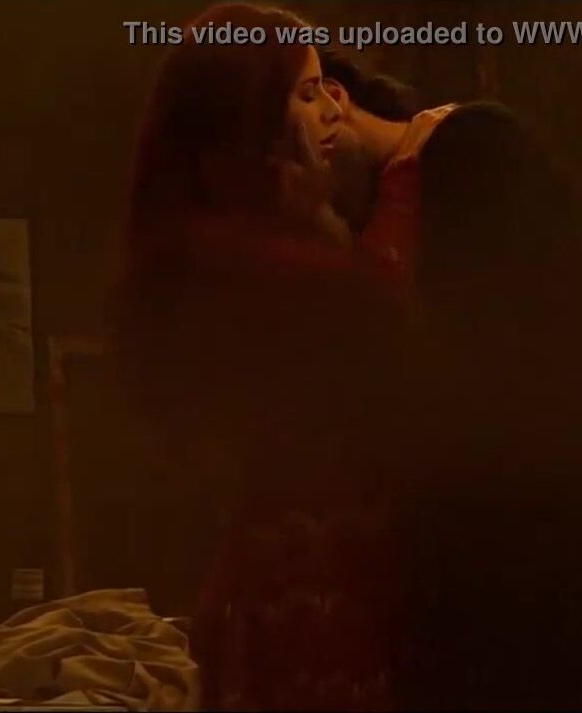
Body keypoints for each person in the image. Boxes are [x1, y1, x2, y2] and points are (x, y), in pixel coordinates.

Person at [112, 4, 420, 710]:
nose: (332, 112)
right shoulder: (276, 280)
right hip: (313, 613)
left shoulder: (186, 258)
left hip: (267, 605)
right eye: (308, 94)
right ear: (253, 123)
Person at [320, 50, 582, 710]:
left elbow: (503, 379)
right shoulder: (377, 210)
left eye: (297, 159)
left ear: (333, 102)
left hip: (519, 575)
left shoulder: (472, 147)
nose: (303, 184)